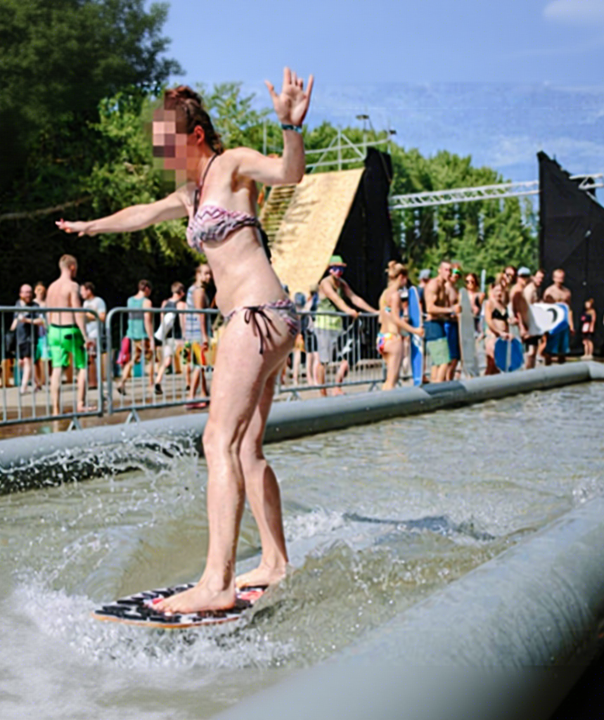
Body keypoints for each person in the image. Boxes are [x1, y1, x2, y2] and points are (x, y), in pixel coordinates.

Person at [57, 67, 313, 615]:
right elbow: (143, 214)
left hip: (255, 316)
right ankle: (274, 561)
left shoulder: (233, 165)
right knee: (246, 446)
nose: (161, 154)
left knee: (216, 441)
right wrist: (92, 227)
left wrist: (291, 128)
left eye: (166, 143)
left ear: (194, 135)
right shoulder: (190, 193)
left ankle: (217, 582)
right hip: (268, 318)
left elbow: (288, 173)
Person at [314, 255, 377, 396]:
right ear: (329, 269)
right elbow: (336, 299)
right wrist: (349, 311)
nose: (339, 271)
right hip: (324, 325)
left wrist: (374, 311)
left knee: (349, 355)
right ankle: (322, 393)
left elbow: (354, 298)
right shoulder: (325, 283)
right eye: (335, 268)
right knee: (324, 360)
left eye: (341, 268)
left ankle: (337, 386)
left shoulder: (342, 283)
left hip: (338, 326)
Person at [45, 255, 93, 415]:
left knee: (57, 368)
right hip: (69, 329)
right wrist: (85, 336)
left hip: (54, 330)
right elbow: (77, 311)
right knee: (82, 366)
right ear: (72, 266)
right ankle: (80, 403)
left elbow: (48, 311)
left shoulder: (52, 286)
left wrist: (49, 329)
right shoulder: (72, 286)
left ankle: (55, 408)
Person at [377, 262, 424, 390]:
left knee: (388, 380)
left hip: (381, 338)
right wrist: (415, 330)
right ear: (402, 277)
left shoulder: (384, 294)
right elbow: (396, 319)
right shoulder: (395, 295)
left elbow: (382, 318)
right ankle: (387, 402)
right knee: (392, 382)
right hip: (393, 339)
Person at [117, 279, 155, 395]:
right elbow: (147, 320)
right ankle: (151, 385)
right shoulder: (147, 302)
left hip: (132, 334)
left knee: (132, 360)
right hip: (143, 334)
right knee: (151, 359)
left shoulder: (130, 300)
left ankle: (122, 382)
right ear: (147, 289)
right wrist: (151, 337)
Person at [183, 264, 213, 407]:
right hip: (197, 333)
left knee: (200, 364)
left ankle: (203, 394)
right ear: (198, 274)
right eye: (205, 273)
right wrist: (205, 335)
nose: (208, 277)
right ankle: (191, 397)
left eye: (209, 273)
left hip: (192, 332)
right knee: (199, 364)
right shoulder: (198, 291)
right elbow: (200, 314)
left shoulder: (194, 290)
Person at [423, 260, 458, 382]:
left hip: (439, 324)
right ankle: (438, 386)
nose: (449, 273)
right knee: (444, 360)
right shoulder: (434, 285)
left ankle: (435, 386)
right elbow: (430, 308)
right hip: (433, 325)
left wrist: (450, 315)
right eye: (446, 270)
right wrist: (451, 309)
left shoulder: (444, 286)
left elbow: (441, 310)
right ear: (439, 270)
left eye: (450, 270)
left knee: (437, 361)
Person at [153, 281, 187, 394]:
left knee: (167, 360)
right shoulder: (181, 304)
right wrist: (184, 334)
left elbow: (162, 318)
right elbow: (182, 320)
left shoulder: (165, 303)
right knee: (185, 358)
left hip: (166, 335)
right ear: (181, 292)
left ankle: (158, 381)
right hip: (177, 336)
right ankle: (189, 384)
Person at [10, 284, 42, 394]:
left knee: (28, 361)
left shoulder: (35, 306)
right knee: (23, 363)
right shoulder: (18, 304)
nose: (28, 295)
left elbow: (40, 321)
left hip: (30, 338)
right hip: (20, 339)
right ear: (21, 293)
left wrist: (26, 320)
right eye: (25, 292)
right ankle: (37, 383)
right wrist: (12, 330)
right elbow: (16, 319)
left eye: (29, 292)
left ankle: (23, 387)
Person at [542, 268, 573, 366]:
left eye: (561, 278)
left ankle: (562, 368)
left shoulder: (566, 292)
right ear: (554, 278)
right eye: (558, 278)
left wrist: (571, 325)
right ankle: (547, 367)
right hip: (553, 323)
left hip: (564, 323)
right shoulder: (549, 292)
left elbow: (569, 309)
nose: (560, 280)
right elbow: (545, 309)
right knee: (550, 348)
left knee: (563, 348)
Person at [80, 281, 107, 389]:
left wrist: (87, 315)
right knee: (89, 357)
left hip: (96, 333)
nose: (81, 294)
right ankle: (92, 381)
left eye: (82, 291)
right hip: (88, 333)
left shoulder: (98, 301)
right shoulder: (85, 303)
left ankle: (95, 382)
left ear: (89, 291)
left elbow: (102, 317)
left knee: (93, 356)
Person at [484, 282, 511, 376]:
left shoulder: (503, 304)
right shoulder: (489, 303)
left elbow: (506, 321)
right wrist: (498, 332)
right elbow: (489, 321)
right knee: (492, 364)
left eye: (500, 291)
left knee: (499, 366)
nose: (499, 293)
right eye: (496, 291)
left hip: (503, 337)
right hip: (493, 336)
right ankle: (483, 382)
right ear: (492, 291)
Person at [522, 268, 545, 368]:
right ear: (533, 277)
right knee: (531, 352)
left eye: (542, 278)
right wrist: (526, 327)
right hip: (529, 324)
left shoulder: (536, 289)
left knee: (533, 351)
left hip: (534, 323)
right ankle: (528, 372)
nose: (540, 280)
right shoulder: (530, 290)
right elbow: (525, 308)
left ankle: (531, 370)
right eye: (538, 277)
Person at [444, 264, 462, 380]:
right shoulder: (446, 288)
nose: (456, 276)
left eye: (458, 274)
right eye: (454, 273)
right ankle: (446, 380)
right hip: (448, 324)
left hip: (455, 323)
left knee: (455, 357)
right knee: (450, 357)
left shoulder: (455, 289)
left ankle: (449, 379)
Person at [33, 281, 49, 388]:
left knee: (44, 358)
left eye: (42, 290)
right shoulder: (32, 303)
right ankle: (36, 381)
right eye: (38, 290)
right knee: (34, 358)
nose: (40, 292)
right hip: (34, 333)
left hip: (44, 333)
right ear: (35, 291)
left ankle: (44, 379)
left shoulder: (46, 303)